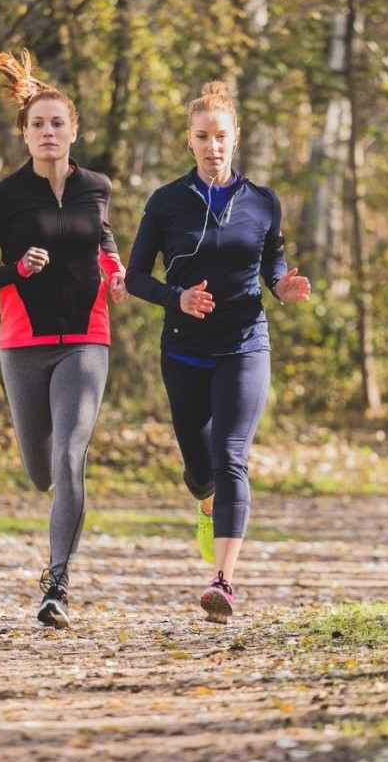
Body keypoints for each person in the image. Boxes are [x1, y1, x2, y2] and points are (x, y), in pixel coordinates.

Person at [125, 80, 310, 623]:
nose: (213, 146)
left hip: (244, 346)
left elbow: (272, 264)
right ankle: (206, 504)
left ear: (236, 139)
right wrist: (174, 297)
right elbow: (136, 277)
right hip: (183, 350)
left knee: (232, 457)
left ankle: (223, 580)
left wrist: (282, 287)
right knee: (199, 468)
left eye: (221, 136)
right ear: (190, 142)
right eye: (202, 137)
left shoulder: (263, 202)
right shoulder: (165, 203)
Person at [0, 50, 127, 629]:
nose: (48, 132)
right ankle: (57, 509)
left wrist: (117, 271)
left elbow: (103, 241)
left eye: (58, 123)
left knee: (69, 452)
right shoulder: (4, 197)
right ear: (25, 135)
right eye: (38, 124)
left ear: (73, 131)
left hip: (86, 338)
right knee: (40, 469)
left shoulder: (96, 186)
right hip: (22, 343)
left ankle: (57, 582)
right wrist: (16, 273)